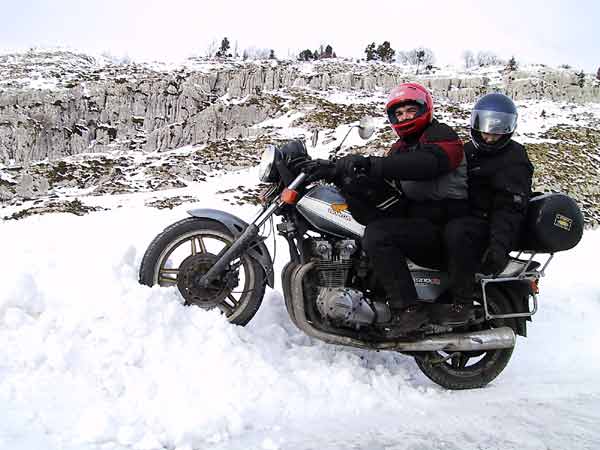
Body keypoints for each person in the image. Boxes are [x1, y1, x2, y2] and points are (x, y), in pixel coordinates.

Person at [303, 82, 469, 332]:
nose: (404, 117)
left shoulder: (442, 135)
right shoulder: (400, 148)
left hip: (444, 226)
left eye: (409, 111)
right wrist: (338, 173)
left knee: (379, 236)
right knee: (368, 222)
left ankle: (409, 309)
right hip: (418, 221)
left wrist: (370, 164)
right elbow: (385, 177)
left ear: (425, 109)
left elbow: (425, 164)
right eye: (398, 113)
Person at [442, 93, 534, 324]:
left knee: (458, 231)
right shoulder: (468, 151)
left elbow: (510, 207)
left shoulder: (514, 158)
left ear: (508, 127)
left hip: (487, 224)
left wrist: (499, 247)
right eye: (486, 125)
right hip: (466, 214)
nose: (490, 134)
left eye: (498, 127)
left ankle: (461, 303)